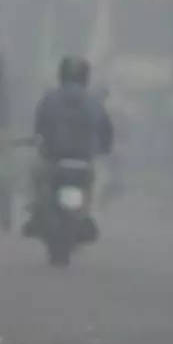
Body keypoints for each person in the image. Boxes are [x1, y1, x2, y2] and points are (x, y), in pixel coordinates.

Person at [23, 56, 114, 238]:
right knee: (97, 184)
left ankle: (36, 215)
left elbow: (39, 128)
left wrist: (41, 142)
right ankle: (88, 215)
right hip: (84, 162)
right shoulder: (95, 102)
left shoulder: (50, 98)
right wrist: (104, 148)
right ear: (85, 76)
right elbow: (106, 131)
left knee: (34, 175)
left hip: (54, 160)